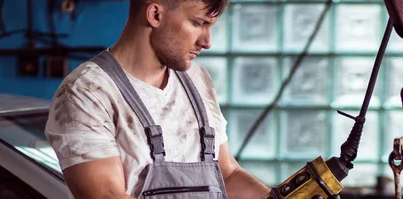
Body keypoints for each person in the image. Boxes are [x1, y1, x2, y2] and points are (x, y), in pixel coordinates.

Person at [43, 0, 271, 198]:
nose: (207, 41)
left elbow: (227, 175)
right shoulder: (87, 91)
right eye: (198, 23)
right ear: (155, 15)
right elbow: (107, 195)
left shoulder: (196, 79)